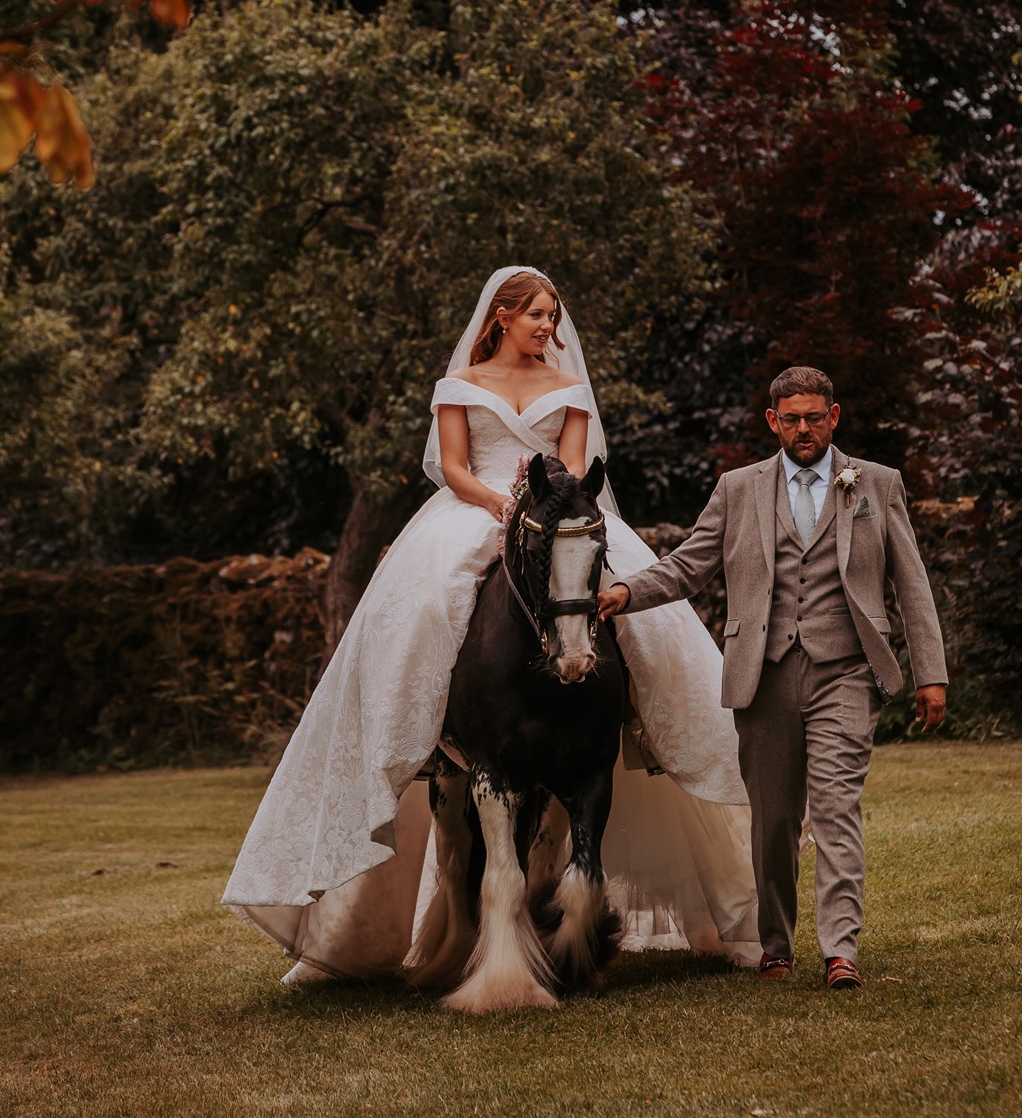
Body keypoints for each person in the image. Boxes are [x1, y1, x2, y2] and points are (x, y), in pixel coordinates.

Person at [222, 266, 760, 980]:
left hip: (555, 512)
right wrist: (503, 507)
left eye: (553, 317)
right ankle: (412, 728)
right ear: (502, 316)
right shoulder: (458, 386)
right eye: (537, 315)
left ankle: (652, 719)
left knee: (629, 604)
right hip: (477, 511)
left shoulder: (567, 390)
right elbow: (452, 466)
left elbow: (573, 470)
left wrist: (548, 509)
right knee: (419, 607)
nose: (549, 329)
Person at [596, 365, 949, 989]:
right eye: (792, 419)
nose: (805, 428)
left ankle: (841, 951)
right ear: (773, 422)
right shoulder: (737, 489)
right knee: (775, 819)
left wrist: (931, 673)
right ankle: (776, 945)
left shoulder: (877, 484)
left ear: (833, 417)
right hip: (763, 674)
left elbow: (912, 583)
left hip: (846, 671)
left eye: (815, 417)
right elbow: (688, 566)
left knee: (837, 806)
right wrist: (627, 590)